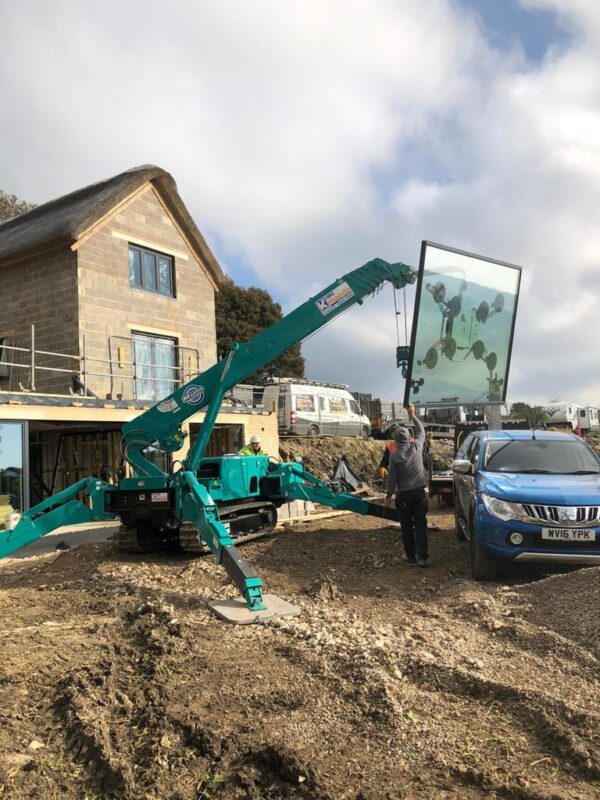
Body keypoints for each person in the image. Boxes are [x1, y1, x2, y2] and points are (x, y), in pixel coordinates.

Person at [385, 404, 429, 567]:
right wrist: (413, 415)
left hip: (404, 496)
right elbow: (421, 431)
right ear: (409, 438)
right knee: (420, 525)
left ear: (396, 441)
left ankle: (410, 555)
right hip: (419, 493)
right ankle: (422, 557)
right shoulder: (417, 447)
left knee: (407, 526)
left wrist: (389, 495)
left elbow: (392, 479)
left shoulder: (394, 457)